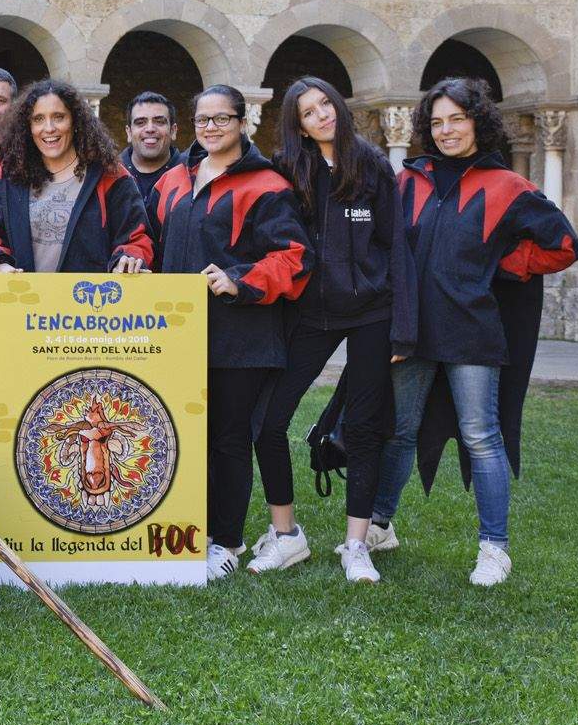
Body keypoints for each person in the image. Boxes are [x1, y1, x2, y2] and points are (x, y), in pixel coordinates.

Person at [371, 77, 578, 587]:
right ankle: (378, 526)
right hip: (412, 332)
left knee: (482, 437)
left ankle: (494, 548)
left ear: (477, 122)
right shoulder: (408, 181)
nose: (446, 131)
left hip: (472, 331)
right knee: (399, 431)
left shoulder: (508, 186)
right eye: (437, 122)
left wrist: (504, 265)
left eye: (457, 119)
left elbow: (564, 246)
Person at [249, 76, 414, 583]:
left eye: (325, 103)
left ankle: (356, 545)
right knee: (268, 421)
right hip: (309, 314)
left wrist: (403, 329)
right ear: (298, 125)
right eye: (308, 111)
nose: (321, 114)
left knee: (363, 428)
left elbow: (397, 246)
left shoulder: (373, 165)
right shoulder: (287, 168)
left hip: (371, 313)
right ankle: (286, 535)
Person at [147, 85, 313, 581]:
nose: (212, 127)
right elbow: (148, 240)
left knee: (228, 440)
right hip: (177, 335)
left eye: (222, 118)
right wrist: (133, 260)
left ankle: (227, 540)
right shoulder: (173, 179)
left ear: (243, 122)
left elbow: (295, 257)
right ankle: (189, 531)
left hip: (241, 339)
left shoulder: (267, 184)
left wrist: (239, 279)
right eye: (203, 119)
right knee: (182, 437)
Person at [0, 79, 152, 278]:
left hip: (90, 296)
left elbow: (137, 238)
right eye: (38, 119)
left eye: (58, 117)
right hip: (24, 296)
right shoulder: (9, 177)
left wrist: (128, 258)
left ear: (75, 121)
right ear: (28, 127)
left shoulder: (110, 176)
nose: (49, 128)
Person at [120, 91, 185, 201]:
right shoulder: (110, 174)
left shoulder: (191, 175)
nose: (150, 129)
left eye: (159, 121)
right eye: (140, 122)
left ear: (173, 131)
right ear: (129, 132)